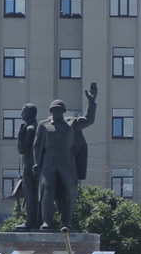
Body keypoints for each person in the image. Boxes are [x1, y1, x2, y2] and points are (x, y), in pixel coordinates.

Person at [32, 83, 97, 231]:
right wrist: (36, 163)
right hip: (49, 159)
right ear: (51, 111)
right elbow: (36, 146)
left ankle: (66, 222)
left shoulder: (71, 123)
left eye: (59, 109)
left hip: (67, 159)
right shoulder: (43, 125)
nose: (57, 111)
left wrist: (91, 101)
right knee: (47, 191)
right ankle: (47, 221)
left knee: (68, 191)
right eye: (54, 109)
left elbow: (89, 119)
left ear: (63, 111)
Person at [13, 103, 40, 231]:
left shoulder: (30, 129)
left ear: (30, 113)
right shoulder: (37, 126)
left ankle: (31, 222)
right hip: (32, 166)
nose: (21, 114)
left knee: (30, 195)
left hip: (29, 166)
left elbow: (22, 149)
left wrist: (20, 133)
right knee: (33, 195)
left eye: (23, 111)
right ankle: (36, 220)